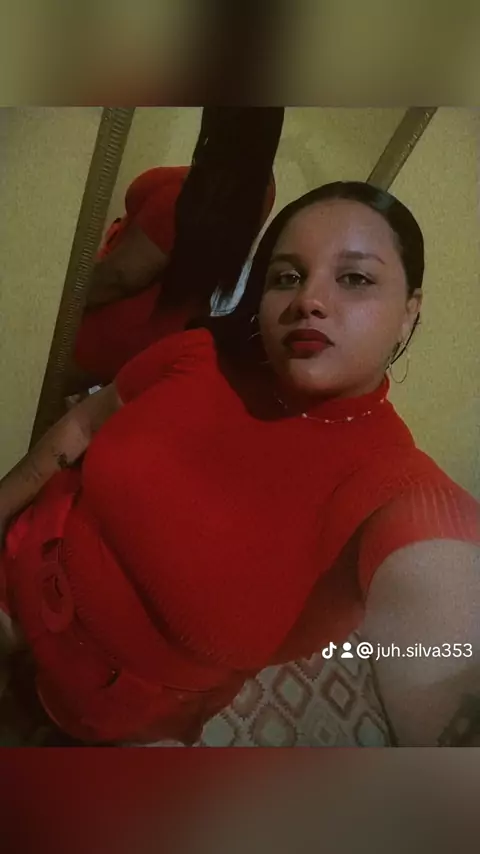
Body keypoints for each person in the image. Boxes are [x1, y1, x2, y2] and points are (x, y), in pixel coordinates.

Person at [1, 181, 479, 748]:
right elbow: (82, 426)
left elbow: (441, 613)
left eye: (354, 278)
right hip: (16, 576)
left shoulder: (392, 484)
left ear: (408, 313)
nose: (309, 300)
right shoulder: (198, 355)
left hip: (109, 716)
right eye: (287, 276)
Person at [68, 111, 279, 394]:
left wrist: (60, 301)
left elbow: (123, 275)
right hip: (170, 335)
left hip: (112, 330)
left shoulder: (185, 196)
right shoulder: (261, 189)